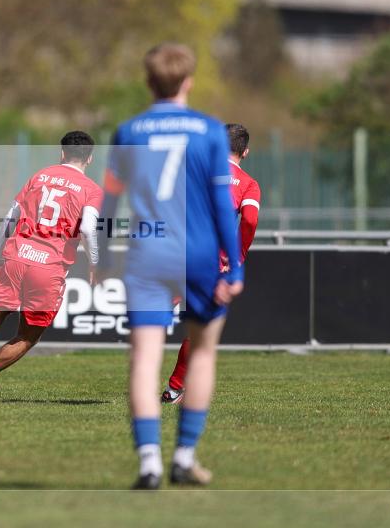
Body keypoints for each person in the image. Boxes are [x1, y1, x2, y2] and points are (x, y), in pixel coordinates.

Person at [100, 43, 243, 488]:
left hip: (146, 252)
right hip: (198, 254)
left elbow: (108, 202)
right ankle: (183, 457)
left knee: (145, 358)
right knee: (201, 352)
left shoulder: (128, 131)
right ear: (189, 82)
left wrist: (102, 256)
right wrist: (234, 267)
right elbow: (222, 205)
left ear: (148, 82)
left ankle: (149, 464)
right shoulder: (210, 130)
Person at [0, 131, 103, 399]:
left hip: (16, 257)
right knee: (28, 336)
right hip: (48, 267)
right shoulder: (91, 190)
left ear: (62, 153)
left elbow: (11, 217)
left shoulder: (40, 176)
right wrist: (95, 264)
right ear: (89, 158)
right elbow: (89, 229)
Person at [162, 122, 261, 405]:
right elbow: (250, 220)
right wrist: (237, 256)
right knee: (200, 330)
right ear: (246, 152)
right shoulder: (248, 184)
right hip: (210, 264)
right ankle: (174, 389)